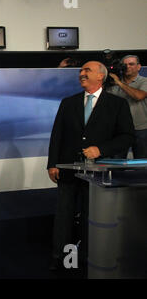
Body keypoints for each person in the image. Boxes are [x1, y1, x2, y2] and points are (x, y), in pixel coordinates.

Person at [47, 61, 135, 270]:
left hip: (98, 173)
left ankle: (88, 257)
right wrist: (52, 164)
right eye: (81, 71)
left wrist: (101, 149)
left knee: (91, 215)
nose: (82, 74)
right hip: (68, 170)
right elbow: (57, 135)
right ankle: (62, 259)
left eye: (87, 70)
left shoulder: (117, 104)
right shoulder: (68, 103)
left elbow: (127, 136)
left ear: (100, 76)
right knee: (64, 216)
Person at [107, 55, 147, 158]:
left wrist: (119, 83)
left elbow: (138, 96)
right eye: (124, 65)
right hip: (120, 130)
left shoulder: (144, 81)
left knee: (142, 162)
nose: (127, 67)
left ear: (139, 67)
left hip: (141, 128)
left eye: (131, 64)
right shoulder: (113, 83)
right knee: (116, 163)